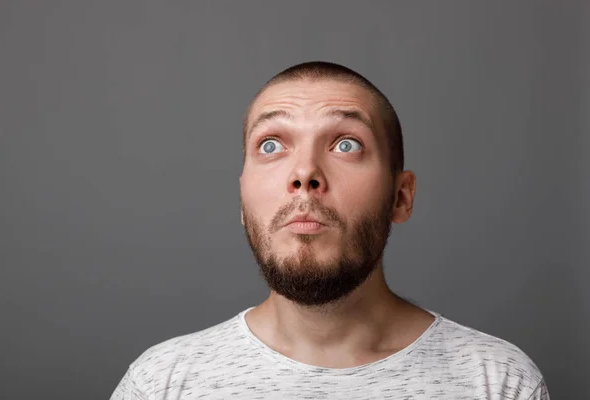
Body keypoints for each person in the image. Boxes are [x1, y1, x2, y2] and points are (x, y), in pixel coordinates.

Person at [110, 61, 549, 399]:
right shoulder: (162, 383)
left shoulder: (496, 382)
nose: (304, 173)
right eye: (271, 145)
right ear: (243, 199)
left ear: (401, 196)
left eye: (346, 144)